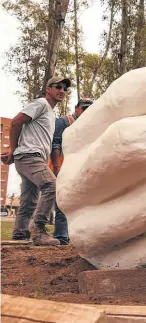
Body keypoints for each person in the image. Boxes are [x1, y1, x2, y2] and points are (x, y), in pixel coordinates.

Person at [1, 76, 71, 245]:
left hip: (33, 157)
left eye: (64, 89)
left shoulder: (50, 113)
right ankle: (38, 230)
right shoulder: (41, 104)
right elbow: (17, 122)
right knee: (52, 185)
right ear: (48, 89)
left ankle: (20, 234)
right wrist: (13, 149)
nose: (62, 91)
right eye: (58, 87)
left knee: (29, 200)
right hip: (29, 156)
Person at [49, 98, 94, 245]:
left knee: (77, 203)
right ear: (76, 109)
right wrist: (56, 167)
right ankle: (61, 237)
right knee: (63, 202)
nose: (86, 112)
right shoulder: (64, 122)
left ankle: (70, 237)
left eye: (89, 109)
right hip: (61, 167)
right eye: (84, 108)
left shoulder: (88, 127)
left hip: (75, 169)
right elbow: (55, 143)